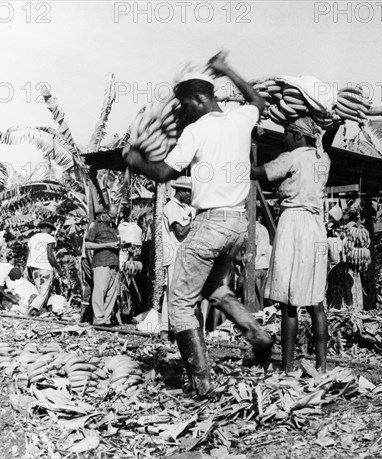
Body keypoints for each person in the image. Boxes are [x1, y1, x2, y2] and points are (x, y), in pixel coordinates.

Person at [124, 51, 273, 397]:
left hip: (209, 224)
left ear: (197, 98)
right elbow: (257, 99)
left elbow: (163, 172)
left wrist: (136, 160)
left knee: (179, 303)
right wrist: (226, 69)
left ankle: (201, 382)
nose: (182, 112)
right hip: (238, 225)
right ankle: (256, 332)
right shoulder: (239, 119)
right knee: (211, 288)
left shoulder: (197, 130)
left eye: (184, 104)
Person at [251, 117, 338, 373]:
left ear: (298, 136)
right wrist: (335, 123)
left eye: (287, 134)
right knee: (315, 300)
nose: (284, 139)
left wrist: (248, 144)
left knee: (290, 301)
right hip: (315, 225)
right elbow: (327, 142)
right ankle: (322, 365)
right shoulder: (323, 160)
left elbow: (255, 173)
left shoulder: (291, 157)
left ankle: (287, 367)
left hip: (292, 224)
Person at [160, 176, 194, 337]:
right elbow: (180, 232)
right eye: (188, 193)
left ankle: (168, 328)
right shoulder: (172, 207)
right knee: (175, 293)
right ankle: (173, 328)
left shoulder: (181, 207)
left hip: (179, 254)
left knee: (174, 292)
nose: (190, 196)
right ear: (181, 191)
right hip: (174, 254)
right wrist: (194, 222)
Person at [84, 203, 122, 326]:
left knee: (112, 293)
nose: (113, 219)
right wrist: (107, 245)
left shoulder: (114, 227)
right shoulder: (95, 225)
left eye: (115, 217)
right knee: (100, 291)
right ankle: (98, 319)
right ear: (104, 213)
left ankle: (105, 319)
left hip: (114, 262)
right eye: (111, 216)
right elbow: (88, 245)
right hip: (101, 262)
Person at [26, 219, 60, 316]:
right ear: (47, 228)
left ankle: (43, 311)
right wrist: (58, 268)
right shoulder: (49, 238)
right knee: (43, 293)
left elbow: (29, 254)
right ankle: (28, 311)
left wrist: (28, 270)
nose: (51, 232)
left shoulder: (32, 238)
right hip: (45, 268)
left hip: (34, 268)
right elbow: (50, 255)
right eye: (51, 230)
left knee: (41, 291)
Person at [254, 218, 271, 312]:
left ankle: (257, 314)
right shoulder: (264, 228)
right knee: (262, 295)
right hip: (265, 264)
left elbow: (258, 248)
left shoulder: (253, 229)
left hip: (257, 265)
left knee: (256, 296)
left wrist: (253, 264)